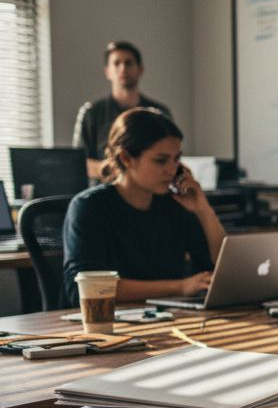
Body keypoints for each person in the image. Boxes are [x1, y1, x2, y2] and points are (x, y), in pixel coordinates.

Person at [62, 108, 225, 307]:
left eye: (176, 159)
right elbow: (89, 287)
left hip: (165, 318)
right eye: (161, 160)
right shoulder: (89, 207)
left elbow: (219, 269)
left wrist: (203, 209)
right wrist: (179, 287)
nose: (172, 169)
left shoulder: (175, 205)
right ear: (126, 158)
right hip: (106, 322)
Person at [72, 41, 174, 180]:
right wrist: (110, 168)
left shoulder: (159, 113)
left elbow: (171, 157)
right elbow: (78, 163)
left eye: (128, 63)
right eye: (116, 63)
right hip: (105, 194)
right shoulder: (92, 113)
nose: (123, 68)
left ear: (140, 69)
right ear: (107, 71)